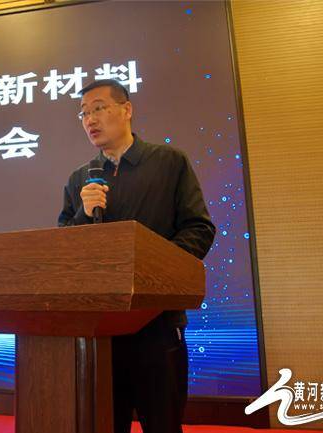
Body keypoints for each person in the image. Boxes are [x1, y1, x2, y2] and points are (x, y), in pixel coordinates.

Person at [57, 79, 216, 433]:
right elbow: (64, 250)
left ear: (126, 109)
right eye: (83, 113)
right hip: (99, 334)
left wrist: (154, 277)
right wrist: (83, 214)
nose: (90, 119)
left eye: (99, 108)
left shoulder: (169, 162)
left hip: (156, 327)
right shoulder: (79, 179)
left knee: (162, 425)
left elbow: (198, 228)